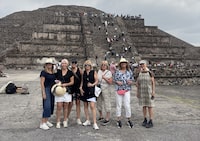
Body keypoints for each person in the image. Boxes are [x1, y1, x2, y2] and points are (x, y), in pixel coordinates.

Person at [114, 58, 134, 128]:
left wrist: (130, 82)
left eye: (124, 63)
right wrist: (117, 82)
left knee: (127, 105)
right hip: (119, 89)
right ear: (120, 64)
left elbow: (132, 79)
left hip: (126, 89)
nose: (123, 64)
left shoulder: (129, 71)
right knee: (119, 104)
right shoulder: (117, 71)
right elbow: (114, 79)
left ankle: (128, 119)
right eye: (122, 63)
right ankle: (118, 119)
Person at [79, 60, 99, 130]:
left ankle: (94, 122)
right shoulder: (83, 73)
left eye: (88, 65)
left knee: (92, 106)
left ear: (90, 66)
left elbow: (96, 80)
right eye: (86, 65)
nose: (87, 66)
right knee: (85, 105)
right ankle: (87, 119)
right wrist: (80, 87)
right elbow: (82, 81)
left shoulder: (94, 72)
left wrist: (92, 84)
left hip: (91, 90)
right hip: (85, 90)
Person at [55, 59, 74, 128]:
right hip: (59, 91)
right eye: (63, 63)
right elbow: (55, 79)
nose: (64, 65)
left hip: (67, 91)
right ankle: (58, 121)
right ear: (61, 64)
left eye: (65, 63)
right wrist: (57, 82)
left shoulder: (70, 72)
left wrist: (65, 84)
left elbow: (72, 82)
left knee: (66, 106)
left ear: (67, 64)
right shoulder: (58, 72)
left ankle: (65, 120)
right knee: (59, 106)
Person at [136, 60, 155, 128]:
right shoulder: (139, 73)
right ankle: (145, 119)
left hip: (149, 91)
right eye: (141, 64)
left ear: (146, 64)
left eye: (143, 64)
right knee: (144, 106)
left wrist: (153, 92)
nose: (142, 66)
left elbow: (153, 83)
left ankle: (151, 120)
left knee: (150, 106)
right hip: (142, 91)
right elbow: (137, 83)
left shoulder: (150, 73)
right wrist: (137, 91)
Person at [39, 58, 56, 130]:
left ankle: (46, 120)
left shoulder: (53, 72)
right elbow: (42, 83)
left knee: (51, 105)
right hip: (46, 89)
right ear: (46, 65)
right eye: (48, 64)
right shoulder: (43, 72)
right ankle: (43, 122)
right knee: (47, 105)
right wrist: (43, 92)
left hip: (52, 89)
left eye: (50, 64)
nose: (49, 65)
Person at [97, 60, 113, 125]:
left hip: (106, 88)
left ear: (107, 66)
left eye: (105, 65)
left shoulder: (109, 72)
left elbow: (110, 82)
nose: (103, 66)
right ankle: (101, 115)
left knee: (107, 102)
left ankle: (107, 117)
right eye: (102, 64)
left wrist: (104, 78)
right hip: (99, 88)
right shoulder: (99, 71)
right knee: (99, 102)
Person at [67, 59, 83, 125]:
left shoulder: (80, 70)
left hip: (77, 88)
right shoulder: (69, 71)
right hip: (71, 88)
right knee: (70, 103)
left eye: (75, 63)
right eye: (72, 63)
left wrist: (81, 87)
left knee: (78, 103)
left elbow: (82, 80)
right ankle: (66, 117)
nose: (73, 64)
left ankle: (78, 118)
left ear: (77, 64)